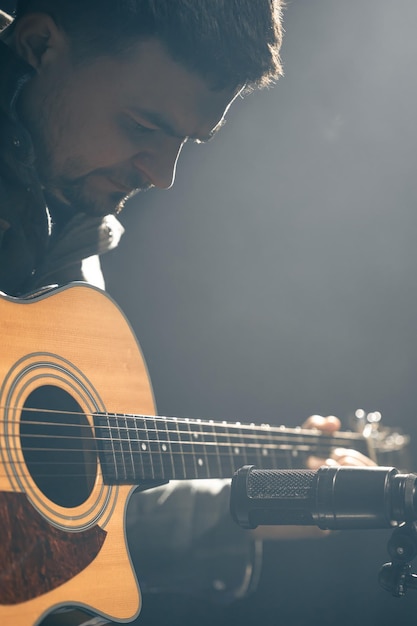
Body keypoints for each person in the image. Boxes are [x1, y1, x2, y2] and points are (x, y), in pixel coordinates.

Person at [0, 2, 375, 625]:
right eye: (144, 126)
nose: (164, 174)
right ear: (39, 46)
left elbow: (51, 543)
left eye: (184, 142)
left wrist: (259, 503)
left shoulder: (71, 241)